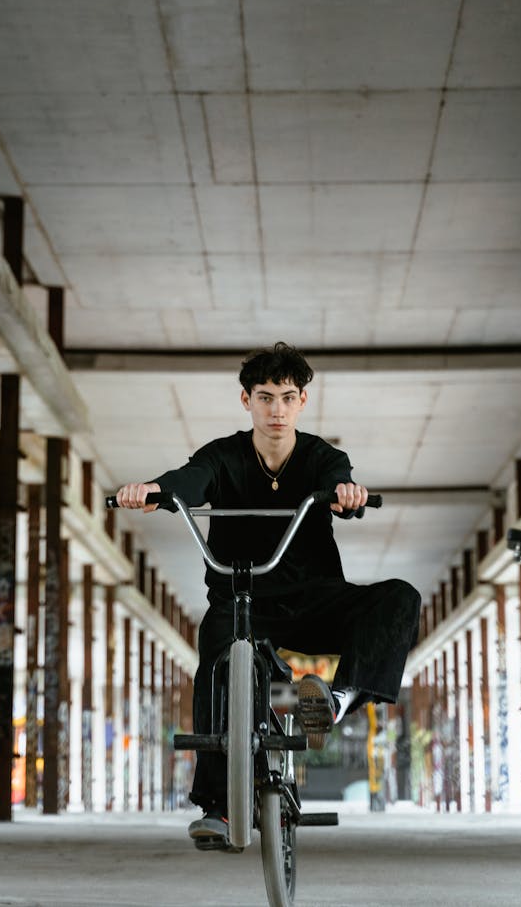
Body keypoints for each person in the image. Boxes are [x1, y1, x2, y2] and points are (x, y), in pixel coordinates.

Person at [114, 342, 421, 850]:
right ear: (246, 401)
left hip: (315, 600)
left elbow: (339, 483)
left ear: (302, 401)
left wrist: (347, 496)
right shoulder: (223, 456)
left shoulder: (323, 457)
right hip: (242, 603)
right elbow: (190, 480)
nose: (276, 409)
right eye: (264, 397)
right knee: (214, 656)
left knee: (399, 598)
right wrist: (154, 490)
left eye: (286, 397)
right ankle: (218, 808)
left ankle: (338, 699)